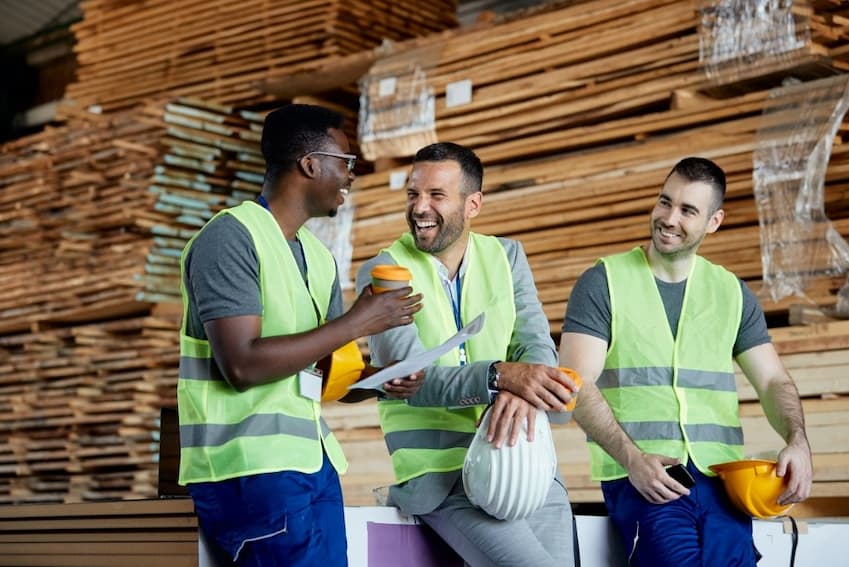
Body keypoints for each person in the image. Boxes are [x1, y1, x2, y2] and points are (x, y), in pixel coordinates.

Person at [177, 104, 423, 566]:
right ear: (310, 164)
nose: (352, 176)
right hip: (250, 472)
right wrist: (359, 321)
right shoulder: (230, 238)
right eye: (345, 163)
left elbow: (322, 373)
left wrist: (379, 380)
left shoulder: (318, 256)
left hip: (312, 465)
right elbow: (242, 365)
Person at [558, 157, 813, 566]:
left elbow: (772, 381)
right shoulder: (604, 282)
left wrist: (798, 441)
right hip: (644, 478)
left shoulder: (731, 292)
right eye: (665, 202)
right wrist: (632, 460)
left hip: (722, 484)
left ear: (714, 221)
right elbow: (576, 382)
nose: (669, 218)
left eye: (687, 210)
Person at [355, 142, 580, 567]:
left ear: (472, 204)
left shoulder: (507, 256)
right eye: (413, 194)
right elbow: (410, 381)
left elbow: (537, 347)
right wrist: (500, 377)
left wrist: (518, 387)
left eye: (436, 195)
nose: (420, 207)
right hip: (442, 478)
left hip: (524, 464)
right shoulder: (384, 271)